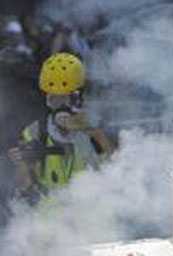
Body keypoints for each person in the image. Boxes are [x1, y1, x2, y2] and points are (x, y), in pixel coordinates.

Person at [6, 52, 113, 209]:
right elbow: (23, 187)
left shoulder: (96, 128)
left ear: (78, 98)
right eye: (53, 99)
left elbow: (117, 165)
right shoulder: (34, 132)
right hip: (53, 223)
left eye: (65, 99)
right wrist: (26, 164)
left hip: (92, 215)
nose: (59, 106)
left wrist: (90, 130)